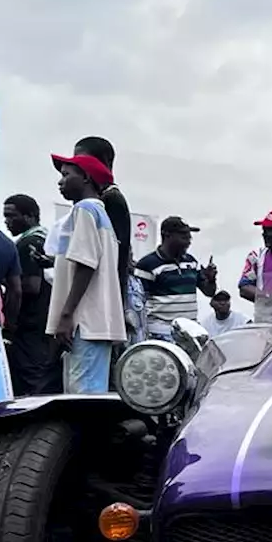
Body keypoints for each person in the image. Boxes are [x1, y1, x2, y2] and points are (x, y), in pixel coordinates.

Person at [46, 154, 126, 393]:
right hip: (93, 323)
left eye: (66, 175)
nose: (60, 182)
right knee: (88, 394)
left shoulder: (85, 210)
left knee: (82, 398)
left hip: (84, 322)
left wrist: (67, 315)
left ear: (86, 178)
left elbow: (86, 263)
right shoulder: (100, 214)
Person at [72, 137, 139, 342]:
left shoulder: (110, 200)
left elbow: (113, 254)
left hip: (107, 296)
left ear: (104, 162)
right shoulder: (96, 200)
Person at [3, 194, 61, 395]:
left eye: (11, 216)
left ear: (29, 216)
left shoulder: (28, 242)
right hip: (45, 319)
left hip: (30, 321)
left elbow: (31, 285)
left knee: (30, 376)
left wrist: (6, 281)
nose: (7, 221)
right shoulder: (47, 239)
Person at [133, 217, 217, 340]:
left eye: (189, 237)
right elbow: (137, 303)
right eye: (184, 236)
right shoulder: (147, 265)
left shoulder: (191, 262)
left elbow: (209, 292)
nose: (188, 241)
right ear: (167, 236)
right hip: (160, 333)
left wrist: (211, 279)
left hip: (190, 333)